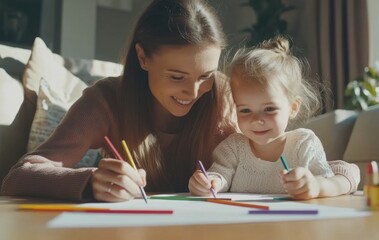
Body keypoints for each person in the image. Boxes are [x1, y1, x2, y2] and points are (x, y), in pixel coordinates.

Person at [1, 0, 358, 202]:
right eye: (176, 77)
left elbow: (320, 165)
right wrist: (90, 180)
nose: (193, 92)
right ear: (143, 58)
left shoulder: (224, 96)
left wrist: (335, 179)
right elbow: (19, 177)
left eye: (205, 75)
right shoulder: (106, 101)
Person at [188, 36, 360, 200]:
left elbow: (330, 181)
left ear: (293, 107)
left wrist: (315, 186)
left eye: (269, 109)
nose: (256, 120)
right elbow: (220, 174)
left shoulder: (303, 143)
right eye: (245, 110)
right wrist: (209, 182)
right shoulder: (233, 147)